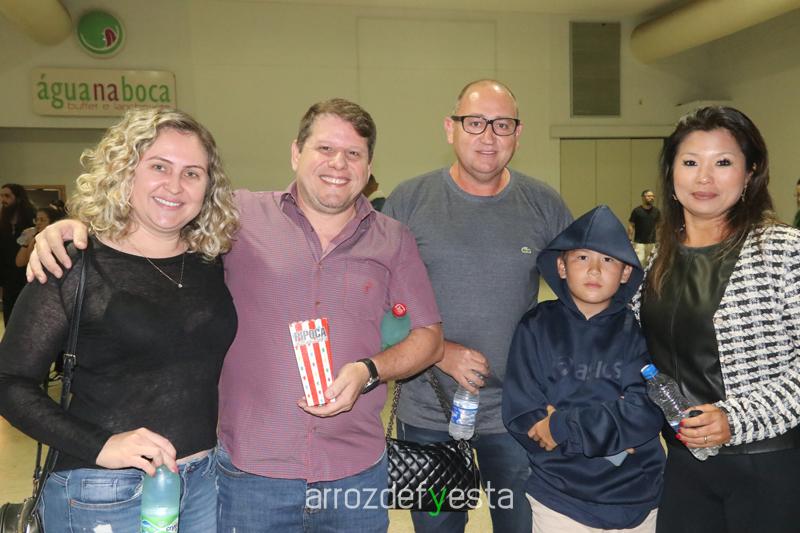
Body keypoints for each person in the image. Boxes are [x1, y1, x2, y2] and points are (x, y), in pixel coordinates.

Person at [28, 98, 444, 533]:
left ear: (369, 165)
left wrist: (369, 371)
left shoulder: (393, 239)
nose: (338, 164)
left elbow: (428, 336)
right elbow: (154, 220)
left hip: (354, 472)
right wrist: (76, 229)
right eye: (324, 148)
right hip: (250, 476)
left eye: (353, 153)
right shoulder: (237, 218)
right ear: (296, 152)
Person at [0, 107, 239, 532]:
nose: (175, 185)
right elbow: (9, 383)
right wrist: (102, 445)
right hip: (102, 490)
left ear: (208, 187)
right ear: (125, 171)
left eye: (192, 173)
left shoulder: (212, 261)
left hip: (203, 485)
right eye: (159, 166)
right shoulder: (74, 264)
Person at [383, 79, 572, 533]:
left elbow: (580, 305)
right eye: (475, 123)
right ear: (450, 129)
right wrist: (438, 351)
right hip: (428, 417)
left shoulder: (543, 204)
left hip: (518, 416)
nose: (488, 136)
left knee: (521, 526)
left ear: (517, 134)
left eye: (501, 124)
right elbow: (377, 304)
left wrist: (566, 393)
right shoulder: (408, 202)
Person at [632, 106, 800, 533]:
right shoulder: (658, 259)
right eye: (690, 163)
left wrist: (736, 418)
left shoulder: (784, 250)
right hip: (685, 465)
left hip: (768, 464)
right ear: (671, 173)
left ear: (750, 173)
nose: (704, 178)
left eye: (723, 163)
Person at [503, 205, 665, 533]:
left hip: (637, 493)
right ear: (561, 266)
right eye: (582, 258)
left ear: (625, 273)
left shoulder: (639, 331)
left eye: (608, 260)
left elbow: (646, 411)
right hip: (559, 496)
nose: (594, 270)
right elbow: (523, 412)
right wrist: (613, 435)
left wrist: (563, 425)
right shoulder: (536, 326)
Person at [0, 183, 36, 324]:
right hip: (7, 277)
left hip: (27, 276)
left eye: (7, 196)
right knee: (9, 317)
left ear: (18, 198)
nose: (3, 200)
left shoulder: (32, 219)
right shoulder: (3, 221)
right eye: (1, 196)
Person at [627, 189, 660, 266]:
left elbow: (659, 226)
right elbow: (631, 225)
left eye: (652, 196)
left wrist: (659, 240)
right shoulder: (637, 211)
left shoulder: (656, 211)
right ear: (643, 197)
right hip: (639, 243)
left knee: (652, 264)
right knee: (640, 263)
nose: (651, 198)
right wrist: (630, 239)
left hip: (652, 243)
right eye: (649, 196)